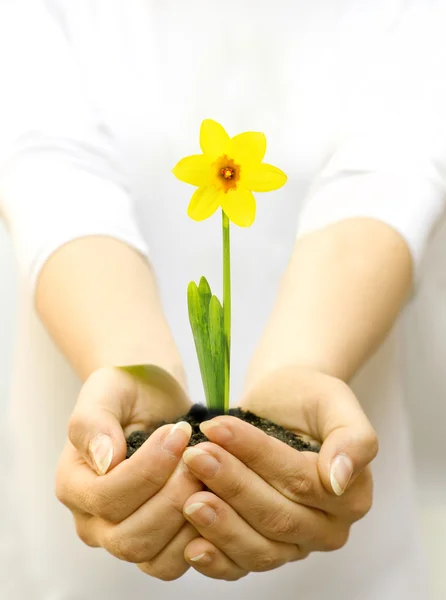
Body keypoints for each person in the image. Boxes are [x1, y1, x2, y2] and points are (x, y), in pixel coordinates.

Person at [0, 0, 444, 598]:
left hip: (330, 535)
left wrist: (304, 369)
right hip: (89, 557)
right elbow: (44, 153)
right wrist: (128, 362)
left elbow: (397, 156)